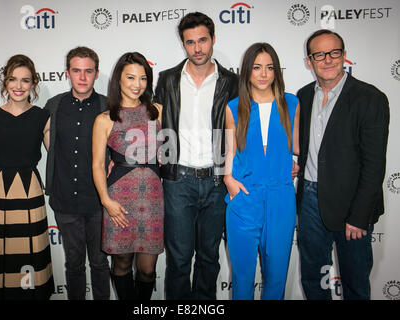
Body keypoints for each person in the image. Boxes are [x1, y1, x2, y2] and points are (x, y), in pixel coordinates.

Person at [296, 29, 389, 300]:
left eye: (334, 52)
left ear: (344, 56)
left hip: (352, 207)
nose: (327, 59)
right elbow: (308, 150)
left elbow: (374, 166)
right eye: (319, 54)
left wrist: (359, 216)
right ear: (309, 61)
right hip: (309, 201)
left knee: (355, 281)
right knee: (313, 278)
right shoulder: (303, 96)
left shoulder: (370, 98)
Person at [153, 12, 238, 300]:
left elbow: (243, 128)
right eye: (190, 42)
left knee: (208, 259)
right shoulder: (167, 79)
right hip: (178, 181)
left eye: (203, 40)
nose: (197, 48)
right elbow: (153, 124)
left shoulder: (232, 82)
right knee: (178, 261)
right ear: (183, 44)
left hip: (217, 181)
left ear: (213, 39)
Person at [0, 54, 54, 299]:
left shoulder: (42, 117)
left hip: (30, 196)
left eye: (25, 80)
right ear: (5, 82)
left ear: (34, 83)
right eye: (13, 79)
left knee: (29, 260)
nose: (18, 86)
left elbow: (60, 158)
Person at [224, 43, 300, 300]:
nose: (264, 74)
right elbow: (227, 151)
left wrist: (294, 163)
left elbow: (296, 147)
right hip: (245, 197)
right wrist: (228, 181)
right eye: (257, 68)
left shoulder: (292, 103)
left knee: (277, 276)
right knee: (242, 277)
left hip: (281, 198)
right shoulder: (233, 107)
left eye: (270, 67)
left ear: (277, 71)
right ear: (247, 72)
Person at [92, 52, 163, 300]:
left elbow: (169, 152)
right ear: (118, 80)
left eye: (143, 78)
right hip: (118, 200)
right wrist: (106, 201)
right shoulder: (105, 119)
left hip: (153, 199)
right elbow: (98, 164)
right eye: (131, 77)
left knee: (147, 269)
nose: (137, 84)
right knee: (121, 263)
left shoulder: (157, 111)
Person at [44, 46, 111, 300]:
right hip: (65, 201)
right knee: (73, 264)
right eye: (76, 71)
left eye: (88, 71)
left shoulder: (108, 105)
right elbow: (24, 120)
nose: (82, 77)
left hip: (99, 201)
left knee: (100, 263)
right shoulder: (54, 105)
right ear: (67, 73)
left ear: (96, 74)